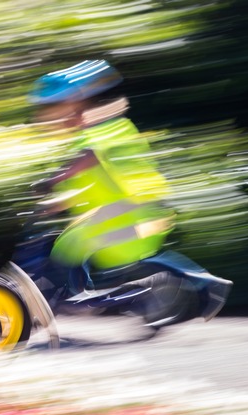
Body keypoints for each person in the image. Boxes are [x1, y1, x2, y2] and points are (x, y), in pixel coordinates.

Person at [27, 60, 174, 283]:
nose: (48, 118)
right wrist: (53, 206)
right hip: (119, 215)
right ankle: (78, 296)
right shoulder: (86, 137)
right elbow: (86, 186)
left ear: (75, 104)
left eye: (53, 109)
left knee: (71, 245)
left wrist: (54, 179)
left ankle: (74, 297)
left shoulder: (108, 129)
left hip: (137, 214)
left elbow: (91, 157)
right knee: (68, 243)